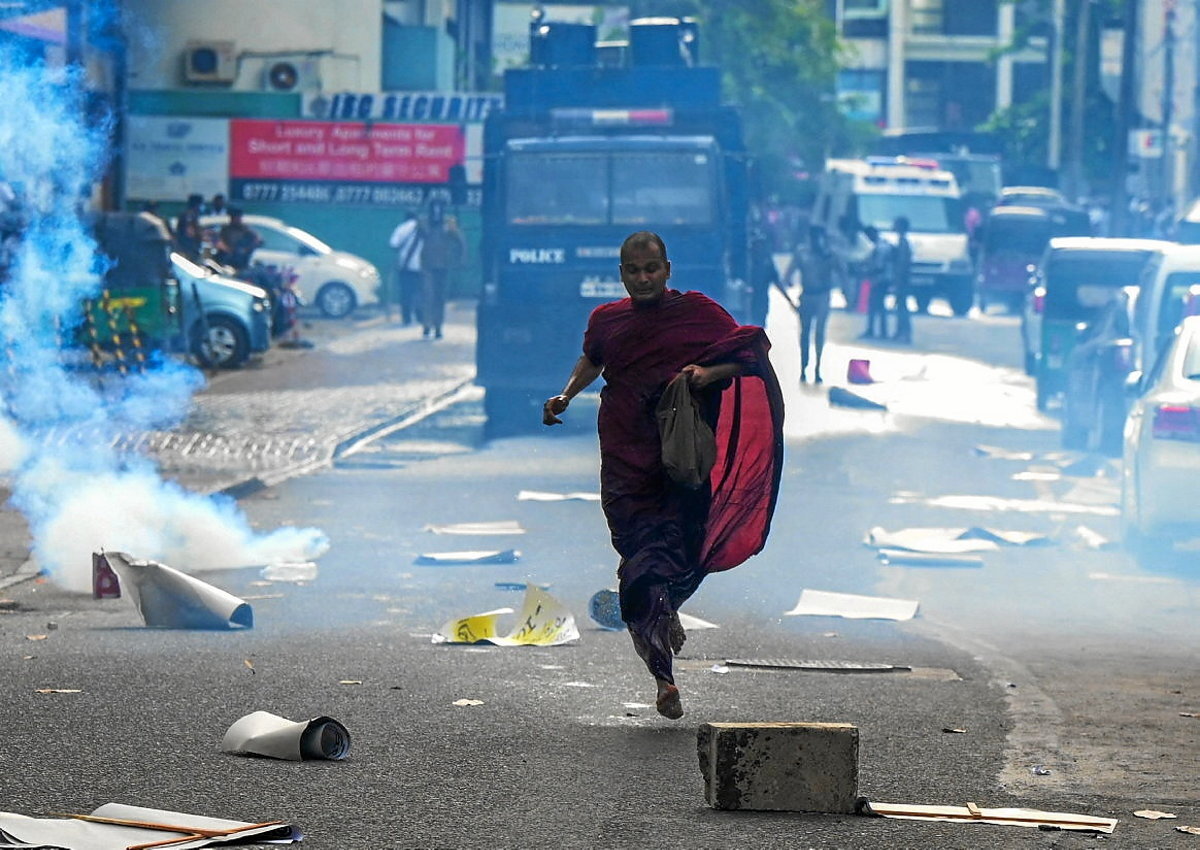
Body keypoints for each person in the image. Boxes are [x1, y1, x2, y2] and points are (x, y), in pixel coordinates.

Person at [542, 231, 784, 720]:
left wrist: (705, 376)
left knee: (680, 552)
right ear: (622, 274)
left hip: (683, 460)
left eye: (651, 268)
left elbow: (749, 352)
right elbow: (594, 359)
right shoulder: (607, 320)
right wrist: (566, 394)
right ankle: (663, 667)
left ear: (667, 269)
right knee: (638, 559)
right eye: (634, 270)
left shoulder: (699, 313)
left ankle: (662, 632)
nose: (644, 278)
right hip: (626, 460)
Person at [419, 200, 465, 339]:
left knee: (440, 297)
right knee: (428, 296)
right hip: (426, 265)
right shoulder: (424, 223)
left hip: (444, 265)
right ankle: (427, 325)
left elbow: (461, 241)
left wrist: (460, 259)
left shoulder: (448, 224)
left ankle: (438, 326)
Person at [796, 225, 834, 384]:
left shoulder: (829, 255)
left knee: (819, 333)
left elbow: (842, 272)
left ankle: (817, 367)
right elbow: (789, 273)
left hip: (822, 295)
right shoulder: (802, 253)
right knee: (805, 333)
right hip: (807, 295)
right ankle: (803, 367)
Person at [387, 210, 422, 325]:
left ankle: (406, 319)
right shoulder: (424, 229)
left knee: (406, 292)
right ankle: (420, 316)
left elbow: (393, 244)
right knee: (420, 291)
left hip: (406, 266)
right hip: (422, 266)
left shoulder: (401, 228)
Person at [860, 225, 892, 339]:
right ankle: (881, 331)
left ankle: (874, 331)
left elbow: (879, 266)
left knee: (874, 305)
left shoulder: (880, 247)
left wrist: (868, 272)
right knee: (878, 306)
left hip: (880, 280)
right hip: (882, 279)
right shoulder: (883, 245)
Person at [215, 207, 263, 273]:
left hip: (241, 262)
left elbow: (258, 241)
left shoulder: (246, 230)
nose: (236, 219)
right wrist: (226, 248)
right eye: (234, 217)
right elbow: (219, 242)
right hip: (226, 260)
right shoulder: (225, 230)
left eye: (238, 217)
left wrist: (246, 249)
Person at [891, 216, 913, 343]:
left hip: (902, 280)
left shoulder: (903, 243)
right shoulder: (902, 242)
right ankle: (901, 331)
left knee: (902, 306)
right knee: (901, 305)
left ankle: (904, 332)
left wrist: (897, 280)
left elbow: (902, 263)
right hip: (903, 279)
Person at [173, 193, 204, 261]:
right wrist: (201, 235)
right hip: (188, 250)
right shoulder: (189, 215)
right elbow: (190, 232)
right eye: (200, 204)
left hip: (189, 248)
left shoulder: (191, 215)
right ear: (196, 205)